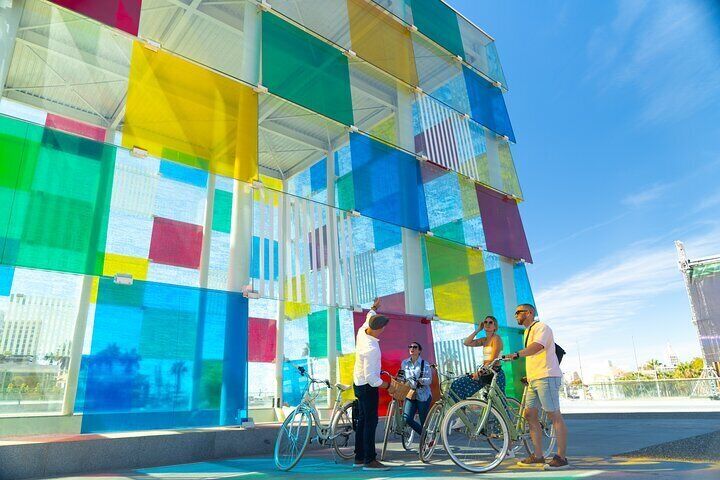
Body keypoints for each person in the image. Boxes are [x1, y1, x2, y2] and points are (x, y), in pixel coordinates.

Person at [504, 304, 569, 470]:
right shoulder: (527, 331)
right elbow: (535, 356)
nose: (516, 315)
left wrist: (517, 354)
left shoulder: (541, 327)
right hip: (534, 379)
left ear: (529, 313)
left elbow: (537, 348)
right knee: (529, 414)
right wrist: (529, 375)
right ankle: (538, 455)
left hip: (546, 376)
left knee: (554, 415)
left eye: (518, 312)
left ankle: (561, 457)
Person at [353, 313, 391, 471]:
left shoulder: (362, 332)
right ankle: (370, 461)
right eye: (384, 327)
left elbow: (368, 318)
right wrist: (387, 385)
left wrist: (374, 308)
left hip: (358, 384)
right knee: (370, 423)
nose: (384, 329)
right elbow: (371, 378)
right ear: (380, 329)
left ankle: (359, 457)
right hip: (368, 387)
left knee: (362, 421)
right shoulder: (371, 349)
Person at [449, 316, 505, 401]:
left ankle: (506, 414)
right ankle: (461, 409)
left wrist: (478, 373)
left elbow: (492, 360)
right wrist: (477, 330)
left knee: (499, 402)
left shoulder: (496, 338)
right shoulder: (484, 340)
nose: (487, 324)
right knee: (457, 385)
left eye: (490, 322)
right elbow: (466, 342)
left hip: (495, 373)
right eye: (485, 322)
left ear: (495, 326)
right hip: (485, 372)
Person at [400, 342, 432, 436]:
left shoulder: (425, 364)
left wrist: (420, 381)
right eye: (410, 346)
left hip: (423, 394)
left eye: (415, 347)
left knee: (424, 421)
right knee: (407, 418)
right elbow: (403, 376)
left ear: (419, 350)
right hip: (410, 394)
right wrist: (400, 381)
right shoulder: (404, 363)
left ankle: (425, 440)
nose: (412, 348)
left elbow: (429, 380)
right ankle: (425, 436)